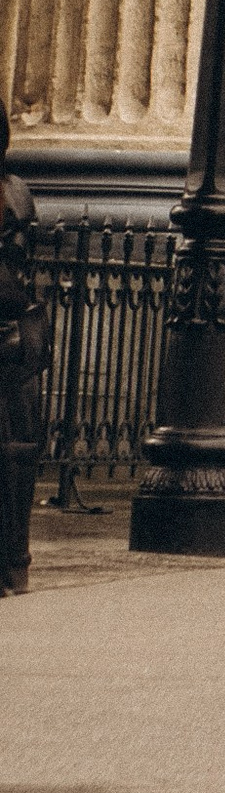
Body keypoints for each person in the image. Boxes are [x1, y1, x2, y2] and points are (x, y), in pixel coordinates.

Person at [0, 102, 49, 598]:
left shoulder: (12, 193)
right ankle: (13, 566)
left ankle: (13, 565)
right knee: (14, 458)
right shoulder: (16, 191)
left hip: (11, 339)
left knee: (14, 456)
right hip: (16, 339)